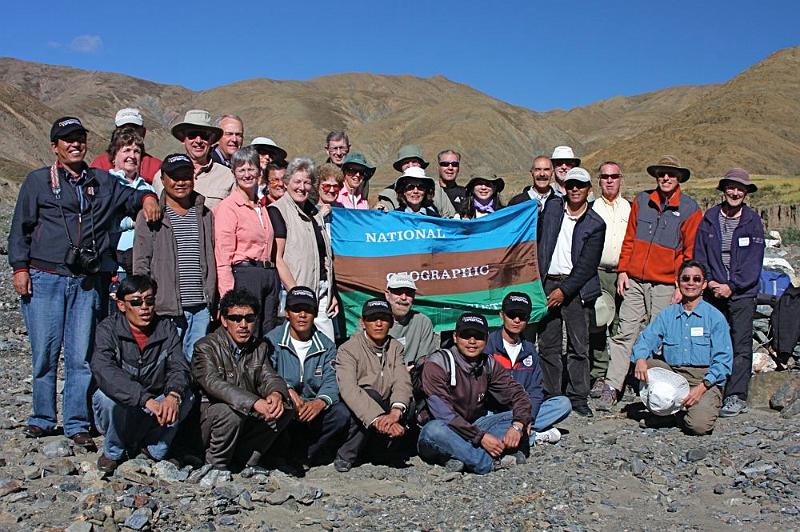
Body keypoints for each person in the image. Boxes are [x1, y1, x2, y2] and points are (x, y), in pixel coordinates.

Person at [8, 116, 161, 448]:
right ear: (55, 147)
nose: (75, 144)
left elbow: (132, 196)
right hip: (45, 277)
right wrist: (20, 268)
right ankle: (42, 417)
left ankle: (76, 422)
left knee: (80, 356)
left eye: (80, 138)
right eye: (67, 140)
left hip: (85, 282)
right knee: (45, 353)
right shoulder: (38, 181)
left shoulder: (102, 181)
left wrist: (148, 198)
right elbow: (20, 228)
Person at [604, 156, 703, 410]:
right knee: (625, 332)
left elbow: (690, 252)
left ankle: (659, 390)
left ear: (679, 178)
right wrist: (623, 270)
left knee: (663, 337)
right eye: (661, 173)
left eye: (671, 174)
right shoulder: (642, 201)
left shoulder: (690, 209)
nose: (666, 178)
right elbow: (629, 239)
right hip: (635, 280)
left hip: (666, 284)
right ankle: (613, 385)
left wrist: (681, 286)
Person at [90, 275, 194, 472]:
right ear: (121, 305)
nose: (144, 307)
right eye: (136, 302)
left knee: (186, 396)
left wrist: (173, 395)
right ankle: (113, 452)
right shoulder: (108, 329)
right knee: (106, 398)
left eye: (149, 301)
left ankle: (154, 450)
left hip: (155, 405)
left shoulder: (166, 328)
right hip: (128, 405)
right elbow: (104, 371)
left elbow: (179, 366)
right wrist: (144, 399)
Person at [417, 312, 532, 474]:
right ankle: (488, 461)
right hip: (444, 429)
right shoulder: (437, 364)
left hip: (475, 425)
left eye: (478, 336)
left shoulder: (488, 363)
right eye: (466, 336)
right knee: (433, 430)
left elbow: (518, 393)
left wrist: (518, 425)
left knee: (520, 416)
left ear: (486, 338)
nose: (472, 341)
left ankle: (462, 456)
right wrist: (481, 438)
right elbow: (444, 415)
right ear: (455, 337)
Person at [192, 288, 292, 471]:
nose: (243, 325)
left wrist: (276, 394)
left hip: (245, 416)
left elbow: (269, 376)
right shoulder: (205, 347)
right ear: (224, 320)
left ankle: (247, 460)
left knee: (283, 408)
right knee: (229, 413)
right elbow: (214, 383)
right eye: (236, 318)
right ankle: (215, 465)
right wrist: (254, 403)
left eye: (249, 318)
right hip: (210, 419)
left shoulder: (259, 347)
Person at [631, 261, 733, 435]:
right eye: (686, 279)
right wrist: (640, 359)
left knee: (698, 427)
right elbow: (645, 340)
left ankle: (674, 414)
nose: (691, 283)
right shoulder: (667, 315)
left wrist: (701, 388)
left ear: (704, 285)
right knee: (647, 364)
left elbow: (723, 361)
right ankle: (669, 410)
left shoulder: (715, 317)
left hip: (704, 379)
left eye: (696, 279)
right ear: (678, 283)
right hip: (673, 374)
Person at [694, 168, 765, 417]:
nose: (735, 193)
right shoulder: (710, 218)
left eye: (740, 189)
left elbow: (754, 262)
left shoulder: (752, 221)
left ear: (745, 193)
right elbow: (700, 254)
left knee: (740, 343)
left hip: (742, 294)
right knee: (713, 340)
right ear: (723, 190)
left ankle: (736, 395)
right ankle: (713, 388)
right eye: (731, 188)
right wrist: (709, 281)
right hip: (713, 291)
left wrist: (732, 285)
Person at [536, 167, 606, 417]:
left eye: (581, 185)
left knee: (578, 345)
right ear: (564, 187)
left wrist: (564, 291)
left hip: (577, 289)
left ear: (589, 189)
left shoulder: (596, 224)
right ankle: (551, 393)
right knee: (548, 343)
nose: (575, 189)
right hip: (548, 281)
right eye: (571, 184)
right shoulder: (552, 209)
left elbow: (587, 265)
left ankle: (578, 396)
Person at [134, 154, 217, 361]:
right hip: (166, 307)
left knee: (196, 363)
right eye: (174, 177)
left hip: (201, 307)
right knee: (167, 363)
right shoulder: (150, 215)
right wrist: (145, 301)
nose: (180, 182)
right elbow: (141, 263)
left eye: (186, 176)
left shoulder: (205, 214)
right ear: (163, 179)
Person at [267, 286, 349, 465]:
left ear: (315, 314)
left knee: (341, 413)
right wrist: (286, 390)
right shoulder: (271, 341)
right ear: (287, 313)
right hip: (286, 405)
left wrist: (320, 402)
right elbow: (267, 374)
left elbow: (332, 379)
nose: (302, 315)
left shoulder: (327, 345)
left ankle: (307, 454)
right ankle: (278, 453)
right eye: (296, 309)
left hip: (313, 408)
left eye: (308, 310)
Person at [334, 299, 413, 472]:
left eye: (384, 319)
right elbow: (349, 389)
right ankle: (346, 454)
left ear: (391, 323)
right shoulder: (348, 349)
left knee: (407, 402)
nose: (378, 324)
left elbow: (402, 380)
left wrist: (395, 412)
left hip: (387, 408)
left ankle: (382, 451)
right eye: (372, 319)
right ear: (362, 322)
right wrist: (378, 419)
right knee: (369, 396)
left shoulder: (395, 347)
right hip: (362, 408)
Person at [486, 293, 572, 446]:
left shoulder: (530, 350)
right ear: (501, 315)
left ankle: (517, 431)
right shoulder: (488, 346)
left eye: (522, 316)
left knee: (563, 404)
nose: (516, 320)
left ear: (528, 319)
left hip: (522, 410)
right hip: (494, 410)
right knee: (480, 419)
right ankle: (533, 435)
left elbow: (535, 389)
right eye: (511, 315)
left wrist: (527, 418)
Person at [214, 146, 279, 337]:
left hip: (268, 274)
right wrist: (227, 298)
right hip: (245, 275)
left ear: (259, 172)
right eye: (241, 170)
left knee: (269, 332)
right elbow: (223, 258)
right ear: (234, 173)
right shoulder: (228, 208)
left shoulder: (262, 206)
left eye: (251, 169)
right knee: (249, 332)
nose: (247, 174)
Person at [270, 157, 337, 340]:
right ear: (286, 183)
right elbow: (277, 259)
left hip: (321, 294)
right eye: (297, 181)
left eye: (307, 182)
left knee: (327, 344)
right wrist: (296, 294)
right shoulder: (277, 211)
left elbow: (324, 256)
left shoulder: (314, 213)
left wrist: (331, 293)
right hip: (296, 295)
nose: (302, 187)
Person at [589, 162, 631, 409]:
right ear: (599, 180)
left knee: (621, 326)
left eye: (614, 176)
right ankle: (599, 373)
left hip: (624, 273)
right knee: (598, 323)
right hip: (597, 271)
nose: (609, 180)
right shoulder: (592, 209)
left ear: (620, 179)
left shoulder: (630, 208)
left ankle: (618, 375)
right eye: (605, 176)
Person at [152, 109, 234, 209]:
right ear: (183, 139)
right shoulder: (162, 176)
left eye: (204, 136)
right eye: (192, 135)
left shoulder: (228, 177)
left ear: (211, 140)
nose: (198, 141)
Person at [107, 127, 154, 277]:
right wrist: (133, 223)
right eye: (126, 150)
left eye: (137, 151)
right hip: (112, 266)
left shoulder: (148, 188)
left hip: (142, 265)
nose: (132, 156)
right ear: (114, 155)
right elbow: (102, 222)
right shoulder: (104, 184)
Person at [376, 145, 458, 218]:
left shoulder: (437, 190)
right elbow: (384, 219)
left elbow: (450, 217)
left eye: (414, 162)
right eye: (406, 163)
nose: (411, 166)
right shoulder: (388, 194)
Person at [378, 272, 438, 368]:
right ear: (387, 295)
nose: (403, 297)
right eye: (398, 292)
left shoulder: (422, 322)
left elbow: (425, 360)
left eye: (409, 293)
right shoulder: (374, 322)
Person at [90, 108, 162, 182]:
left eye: (134, 127)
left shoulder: (156, 167)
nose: (130, 132)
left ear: (143, 132)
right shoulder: (100, 164)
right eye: (124, 128)